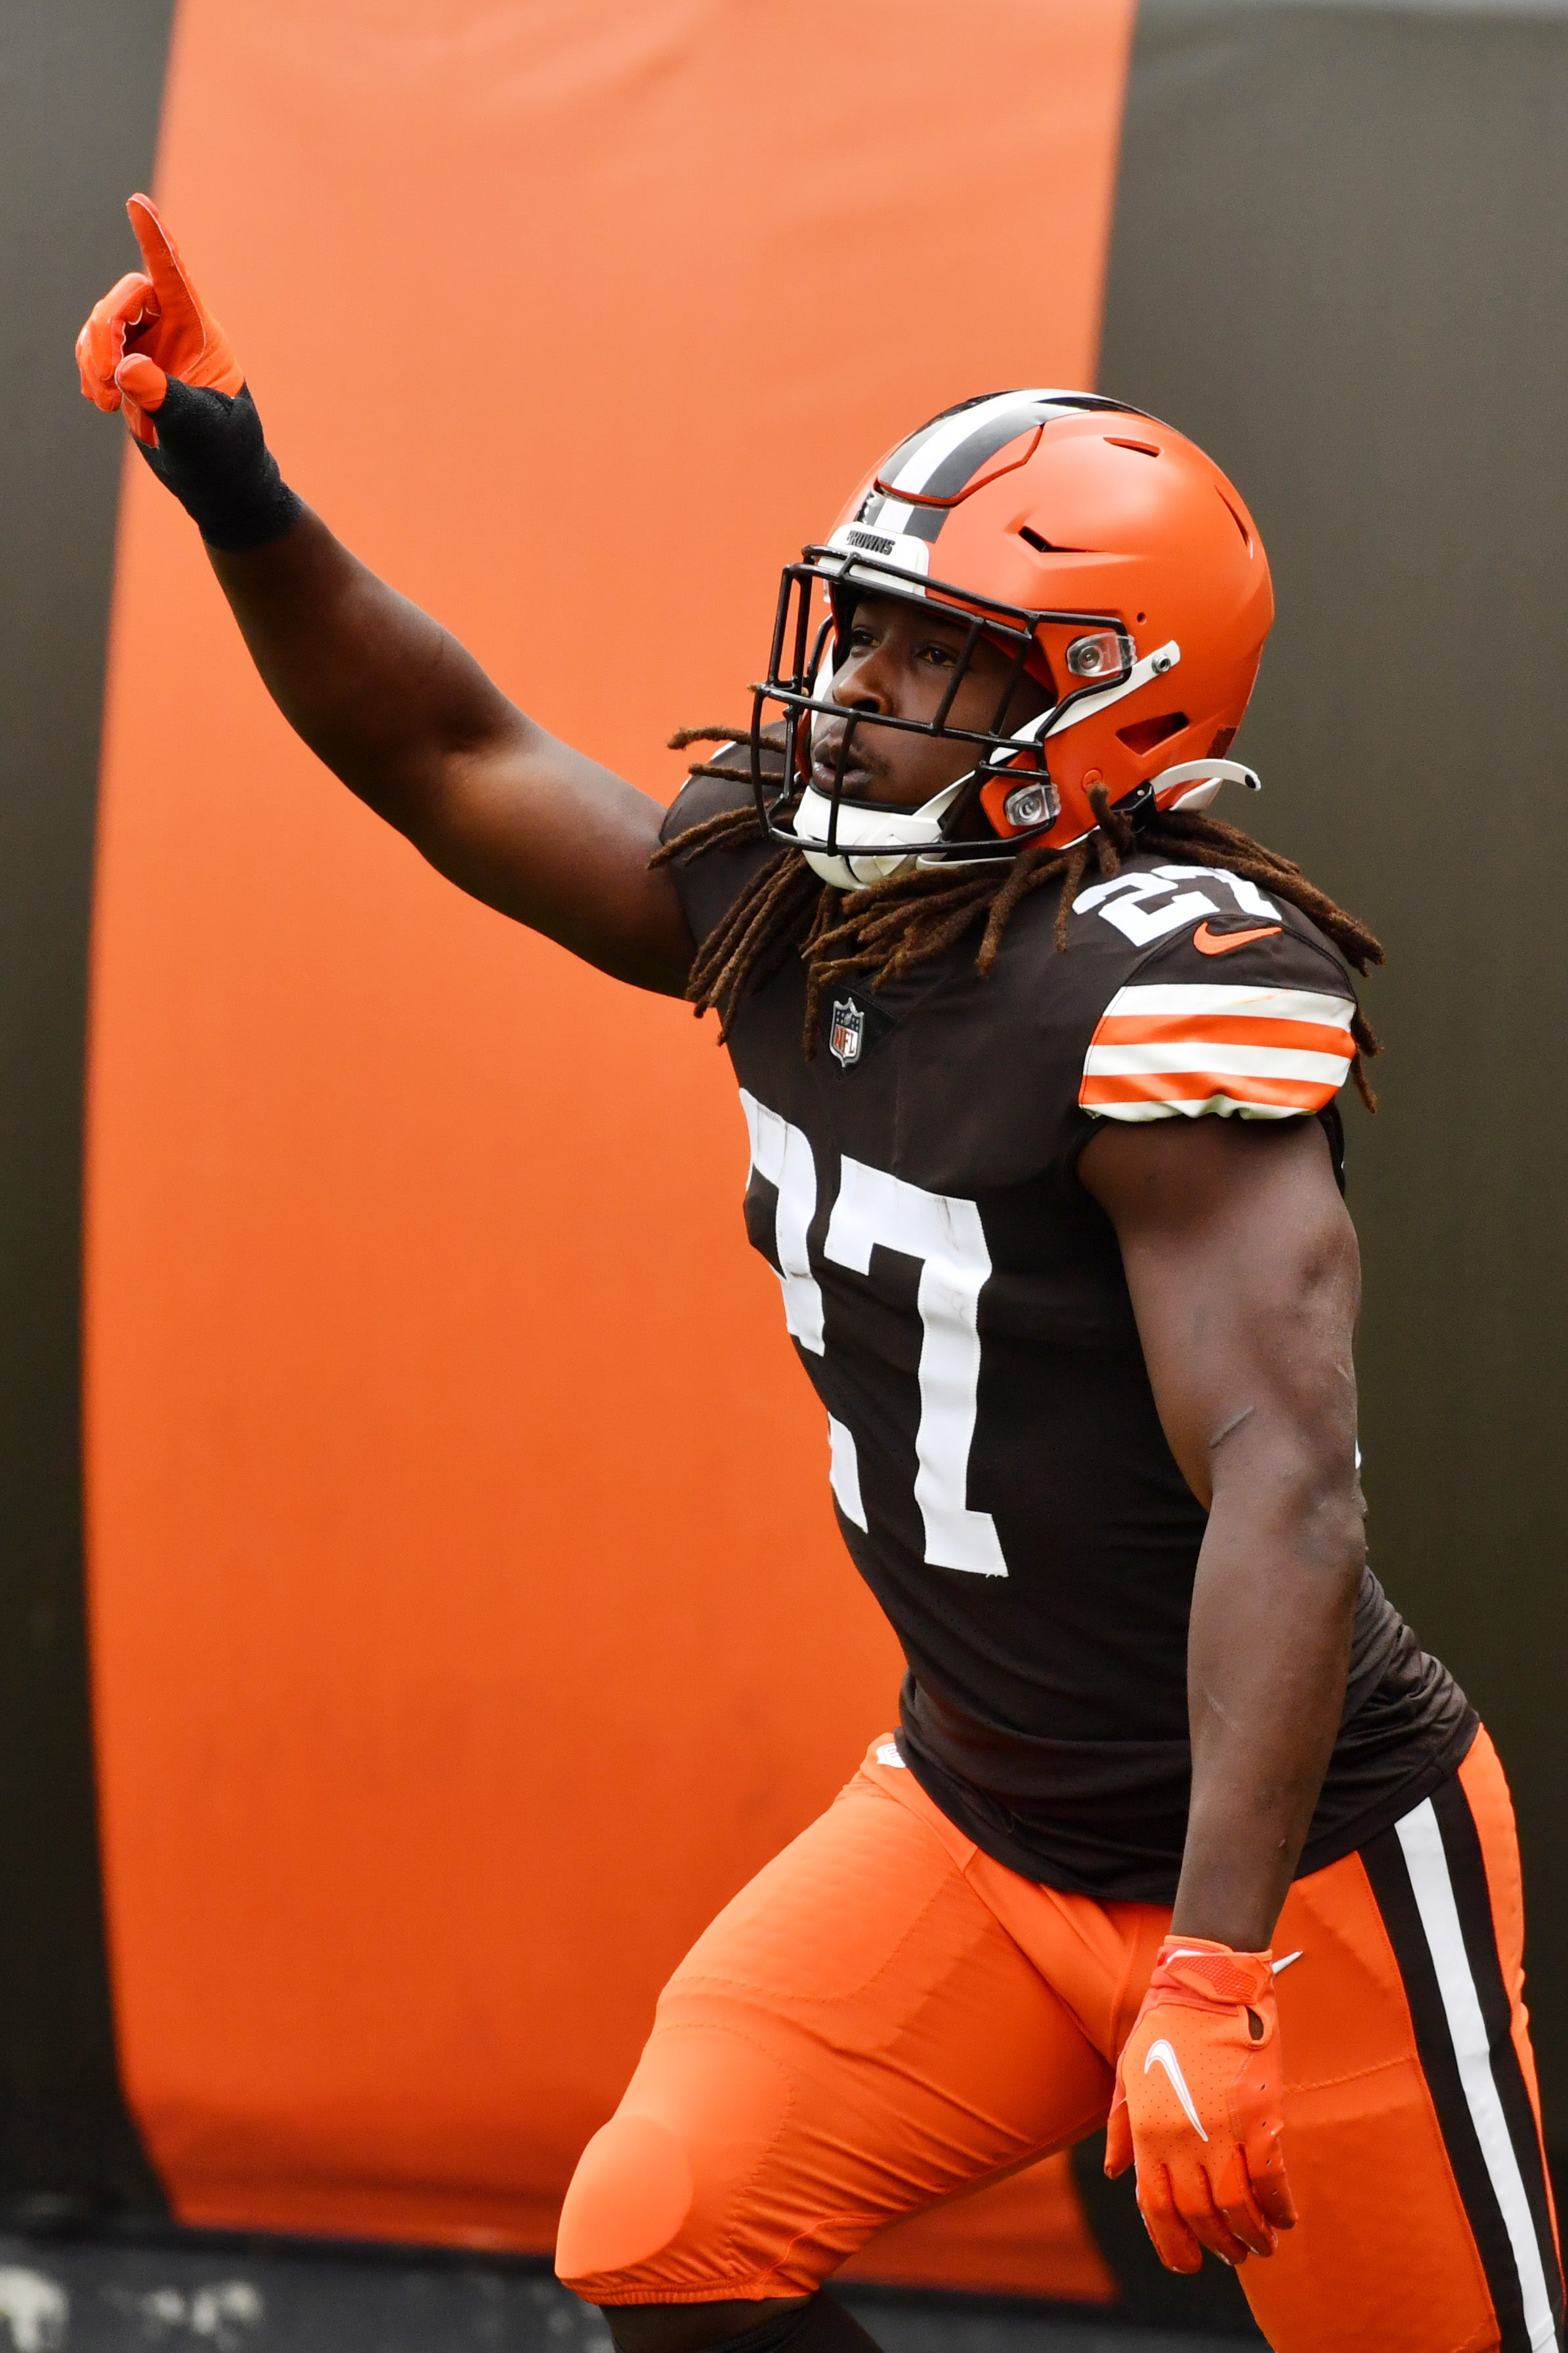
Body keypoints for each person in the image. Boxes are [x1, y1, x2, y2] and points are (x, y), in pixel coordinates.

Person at [77, 197, 1562, 2353]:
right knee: (669, 2236)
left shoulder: (1166, 994)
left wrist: (1216, 1966)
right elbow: (455, 757)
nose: (850, 695)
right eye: (856, 636)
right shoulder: (801, 901)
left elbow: (1285, 1477)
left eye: (920, 659)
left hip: (1298, 1875)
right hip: (979, 1814)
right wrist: (239, 487)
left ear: (1099, 708)